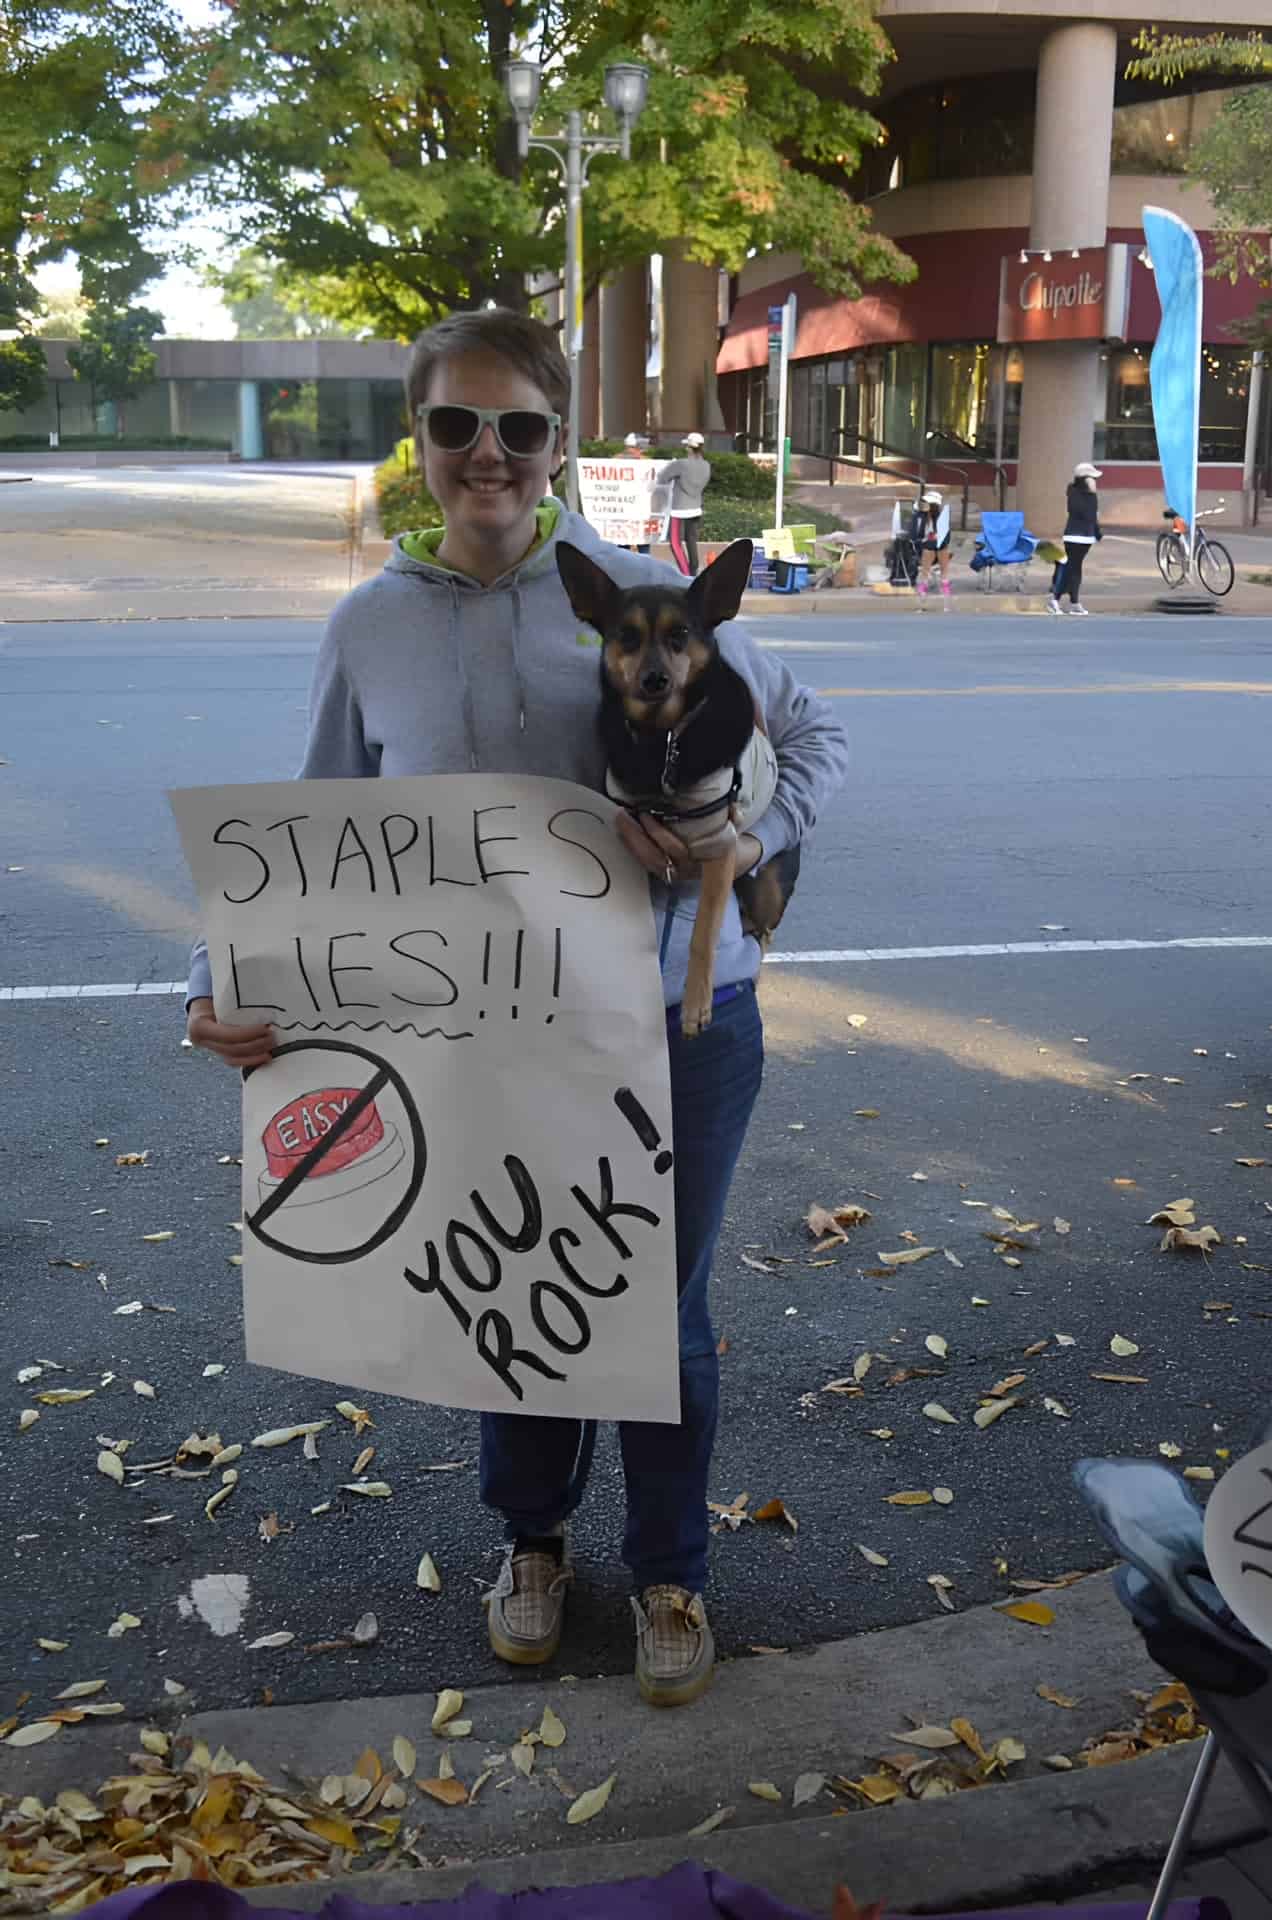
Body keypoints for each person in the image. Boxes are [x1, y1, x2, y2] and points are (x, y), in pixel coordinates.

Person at [183, 308, 846, 1711]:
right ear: (416, 441)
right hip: (490, 1026)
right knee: (516, 1277)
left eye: (520, 428)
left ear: (559, 443)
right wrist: (221, 985)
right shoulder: (368, 627)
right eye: (455, 426)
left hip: (682, 1019)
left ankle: (671, 1568)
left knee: (661, 1309)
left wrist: (749, 834)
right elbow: (321, 825)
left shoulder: (633, 592)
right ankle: (531, 1546)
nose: (488, 455)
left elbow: (816, 732)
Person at [1048, 461, 1102, 616]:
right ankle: (1055, 600)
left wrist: (1097, 533)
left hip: (1087, 537)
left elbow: (1093, 517)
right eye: (1092, 478)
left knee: (1076, 570)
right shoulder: (1074, 492)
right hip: (1074, 536)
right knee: (1070, 568)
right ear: (1084, 478)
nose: (1095, 481)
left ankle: (1074, 602)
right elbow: (1079, 511)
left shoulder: (1092, 495)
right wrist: (1089, 503)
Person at [658, 431, 712, 575]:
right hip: (696, 508)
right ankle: (694, 571)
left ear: (688, 447)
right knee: (691, 541)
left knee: (675, 543)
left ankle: (685, 574)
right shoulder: (706, 465)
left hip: (679, 509)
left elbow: (662, 478)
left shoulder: (681, 464)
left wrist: (671, 468)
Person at [914, 489, 951, 603]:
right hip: (923, 550)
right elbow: (915, 536)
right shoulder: (919, 517)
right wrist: (927, 538)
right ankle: (935, 582)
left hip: (939, 549)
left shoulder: (941, 518)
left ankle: (942, 581)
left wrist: (937, 537)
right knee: (930, 547)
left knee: (941, 546)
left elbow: (947, 538)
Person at [622, 431, 652, 554]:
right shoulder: (646, 461)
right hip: (640, 510)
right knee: (643, 546)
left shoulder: (616, 460)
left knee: (623, 546)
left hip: (625, 509)